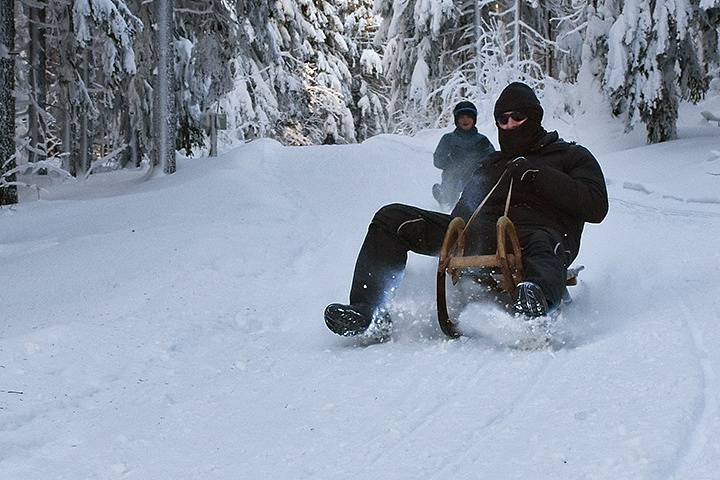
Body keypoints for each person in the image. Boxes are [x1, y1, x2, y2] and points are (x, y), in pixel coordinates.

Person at [324, 82, 608, 337]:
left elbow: (596, 206)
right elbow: (461, 214)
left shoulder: (569, 156)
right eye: (502, 119)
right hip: (481, 234)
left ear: (534, 117)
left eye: (517, 118)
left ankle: (535, 307)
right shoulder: (491, 164)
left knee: (543, 242)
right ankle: (367, 311)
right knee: (392, 218)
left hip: (541, 237)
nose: (509, 125)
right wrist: (451, 235)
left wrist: (539, 174)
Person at [432, 101, 495, 209]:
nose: (465, 120)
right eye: (462, 117)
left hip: (474, 178)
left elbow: (494, 162)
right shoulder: (448, 139)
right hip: (453, 178)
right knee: (453, 175)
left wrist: (482, 156)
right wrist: (451, 159)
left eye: (469, 117)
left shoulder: (482, 140)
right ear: (456, 120)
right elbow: (438, 161)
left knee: (478, 184)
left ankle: (477, 203)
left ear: (474, 119)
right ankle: (446, 200)